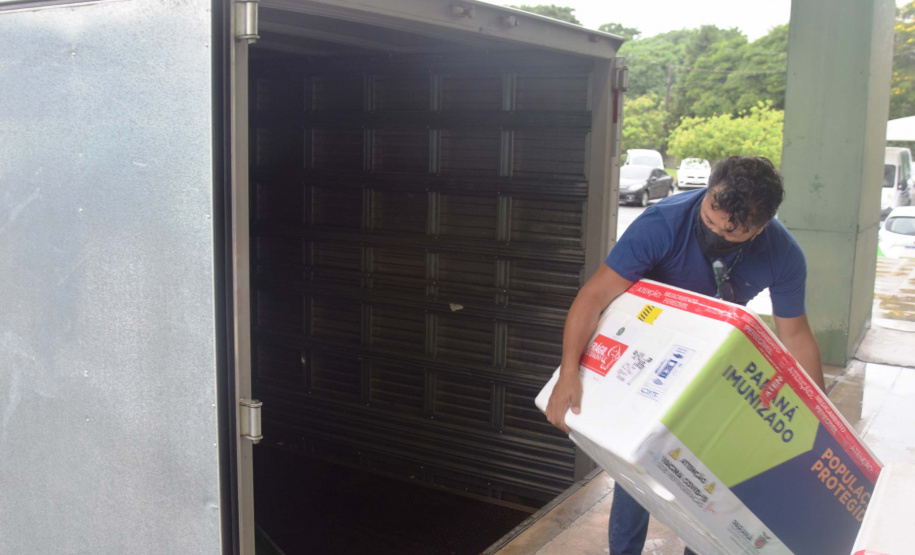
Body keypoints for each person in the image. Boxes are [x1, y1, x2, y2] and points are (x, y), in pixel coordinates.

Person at [544, 156, 826, 555]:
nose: (715, 232)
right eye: (710, 216)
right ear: (710, 189)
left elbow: (796, 337)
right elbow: (593, 297)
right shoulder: (662, 224)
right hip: (649, 342)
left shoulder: (783, 253)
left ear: (760, 228)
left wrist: (821, 426)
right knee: (637, 461)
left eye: (732, 233)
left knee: (708, 475)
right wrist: (568, 372)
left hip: (712, 353)